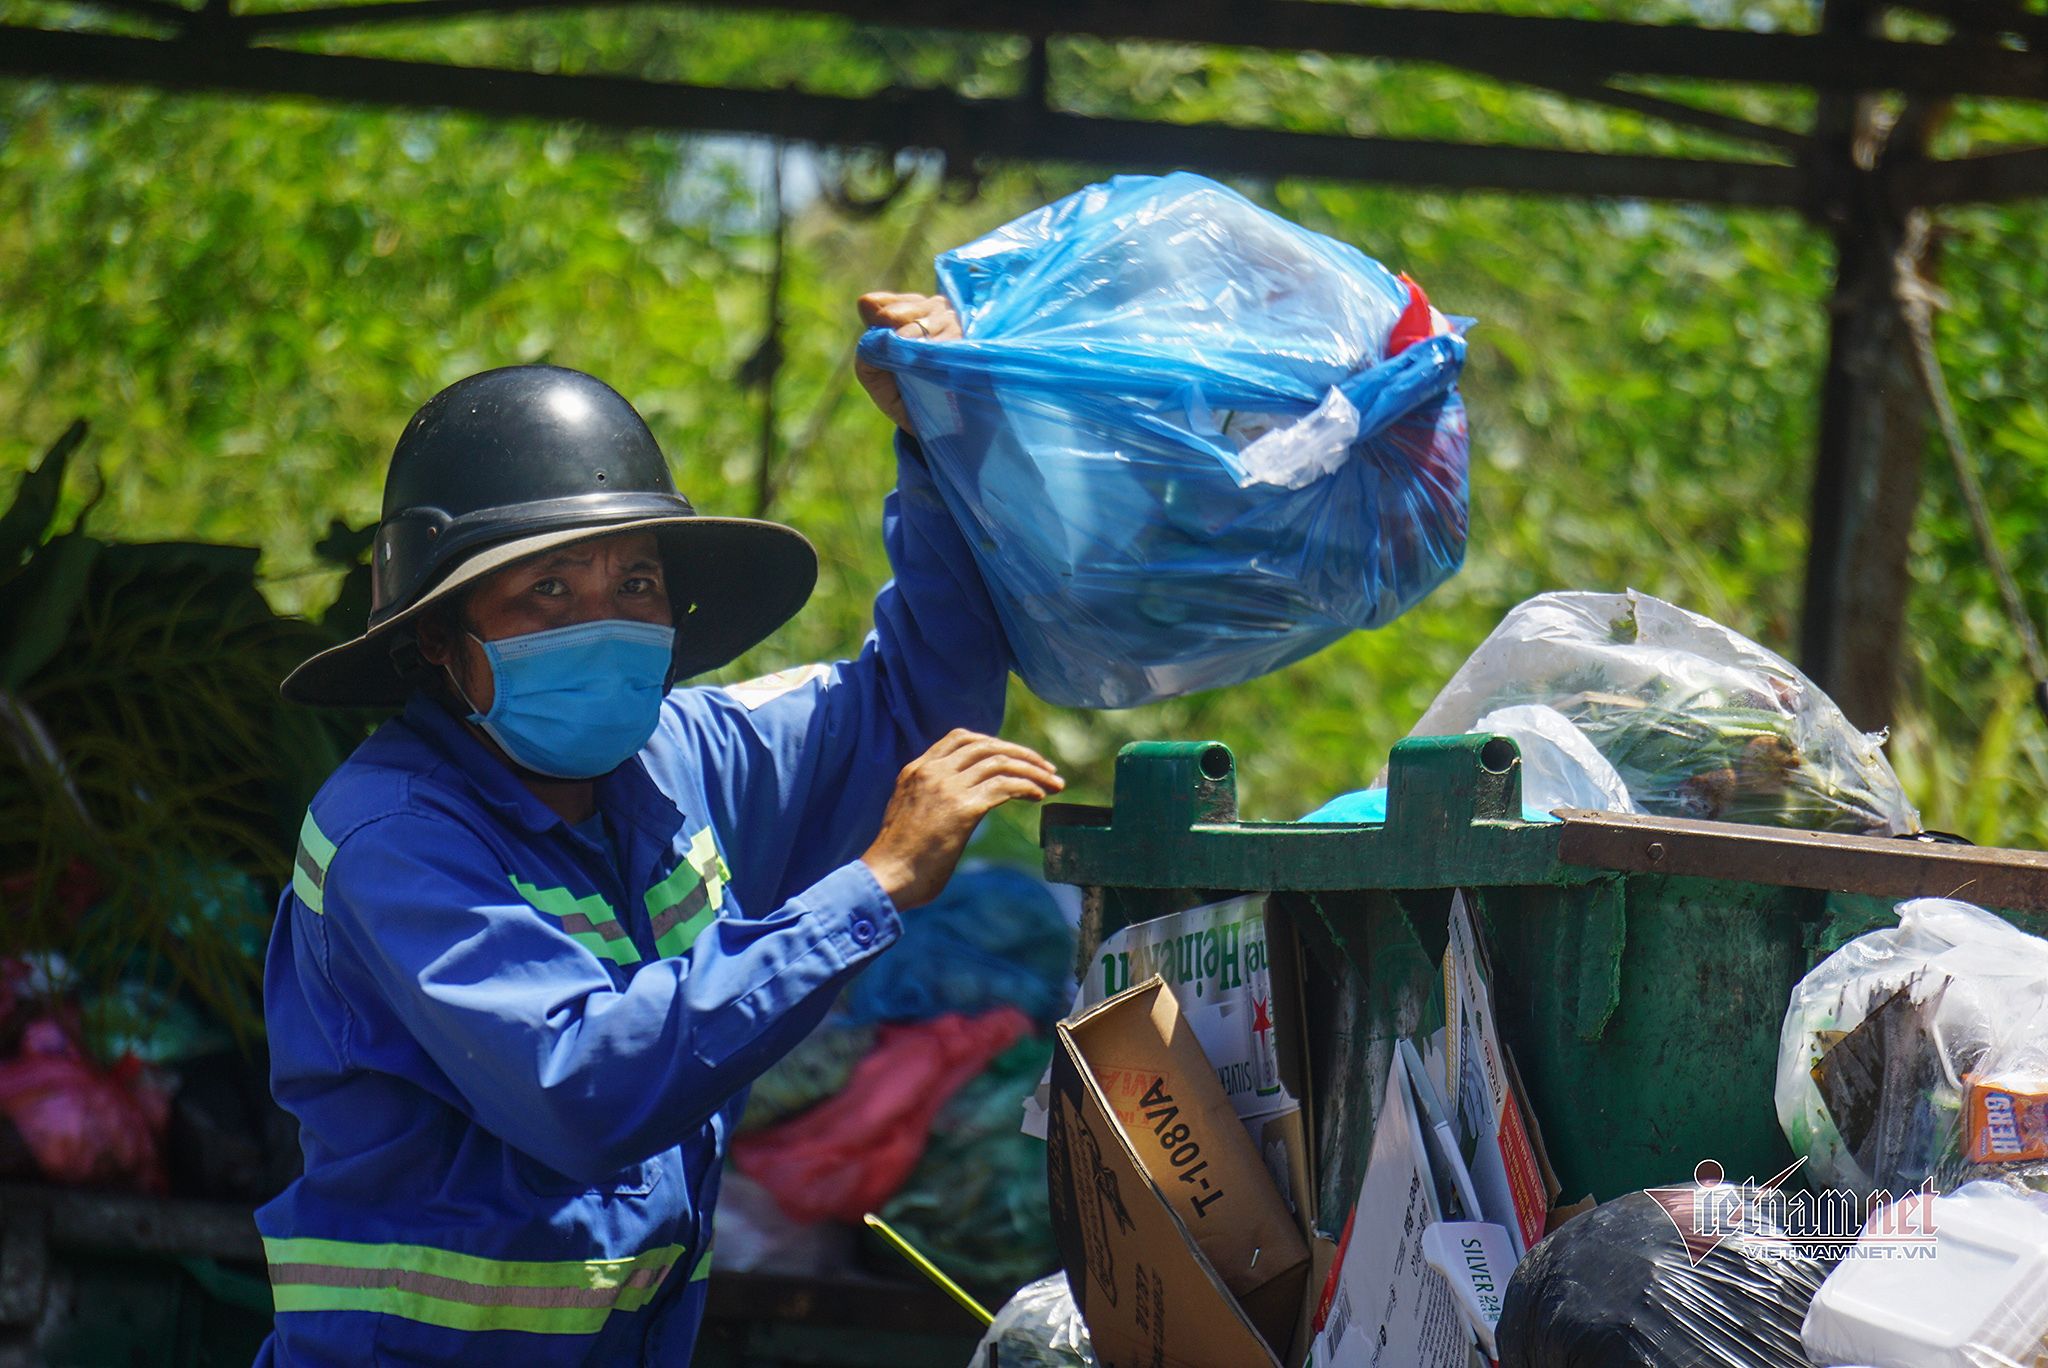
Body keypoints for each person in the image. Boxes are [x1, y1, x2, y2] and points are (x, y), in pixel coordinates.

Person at [254, 291, 1061, 1368]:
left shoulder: (686, 758)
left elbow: (919, 708)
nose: (601, 618)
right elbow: (583, 1087)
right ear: (440, 643)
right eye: (547, 590)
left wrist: (936, 434)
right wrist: (862, 894)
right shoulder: (389, 835)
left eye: (634, 582)